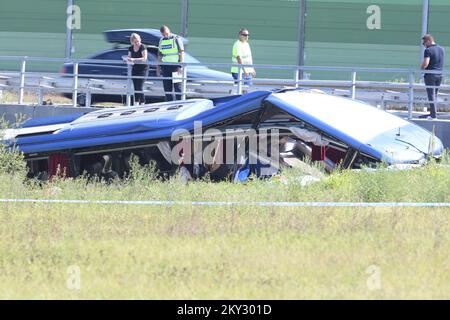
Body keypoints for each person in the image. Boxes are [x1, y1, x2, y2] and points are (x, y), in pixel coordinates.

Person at [157, 25, 185, 101]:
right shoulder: (161, 40)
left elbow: (182, 52)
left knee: (178, 88)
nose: (165, 35)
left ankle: (180, 104)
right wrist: (158, 67)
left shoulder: (176, 39)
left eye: (166, 33)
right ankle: (170, 105)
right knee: (167, 89)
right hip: (165, 67)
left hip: (176, 66)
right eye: (163, 34)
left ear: (169, 30)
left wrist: (180, 66)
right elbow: (159, 54)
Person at [420, 34, 445, 119]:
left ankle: (433, 115)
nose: (424, 45)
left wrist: (421, 68)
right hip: (439, 75)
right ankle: (432, 113)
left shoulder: (428, 50)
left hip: (430, 75)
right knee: (435, 95)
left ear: (428, 41)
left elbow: (426, 63)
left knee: (431, 95)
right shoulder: (442, 49)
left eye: (424, 43)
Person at [127, 33, 148, 105]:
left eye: (138, 41)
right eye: (135, 42)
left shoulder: (143, 47)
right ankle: (136, 103)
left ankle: (143, 103)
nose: (137, 43)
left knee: (140, 87)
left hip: (143, 69)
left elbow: (144, 58)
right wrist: (127, 60)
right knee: (135, 87)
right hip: (135, 68)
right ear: (132, 42)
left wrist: (133, 59)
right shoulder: (130, 48)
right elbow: (129, 57)